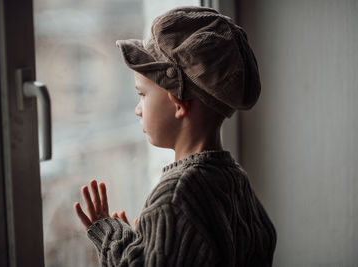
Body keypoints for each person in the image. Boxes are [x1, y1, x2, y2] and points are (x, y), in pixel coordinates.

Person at [74, 5, 277, 267]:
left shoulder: (174, 196)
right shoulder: (235, 181)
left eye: (142, 95)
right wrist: (147, 245)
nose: (138, 110)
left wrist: (111, 237)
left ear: (178, 102)